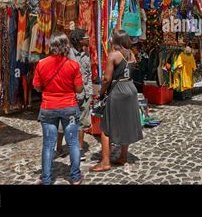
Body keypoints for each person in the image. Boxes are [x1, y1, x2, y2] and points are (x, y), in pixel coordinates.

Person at [33, 32, 84, 185]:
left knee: (48, 144)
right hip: (69, 107)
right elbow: (79, 89)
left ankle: (46, 179)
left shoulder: (41, 64)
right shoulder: (73, 65)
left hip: (48, 107)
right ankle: (75, 177)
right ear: (66, 46)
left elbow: (37, 86)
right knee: (73, 142)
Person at [89, 30, 143, 172]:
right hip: (130, 89)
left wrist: (100, 93)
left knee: (106, 128)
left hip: (118, 90)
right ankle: (123, 156)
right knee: (125, 123)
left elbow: (107, 79)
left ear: (116, 41)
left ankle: (105, 161)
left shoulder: (113, 55)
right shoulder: (132, 55)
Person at [56, 29, 93, 161]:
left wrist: (89, 92)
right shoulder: (67, 54)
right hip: (69, 94)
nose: (88, 39)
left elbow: (88, 74)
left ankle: (79, 149)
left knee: (82, 122)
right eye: (85, 37)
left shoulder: (87, 55)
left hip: (84, 94)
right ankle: (59, 147)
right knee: (63, 121)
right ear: (79, 40)